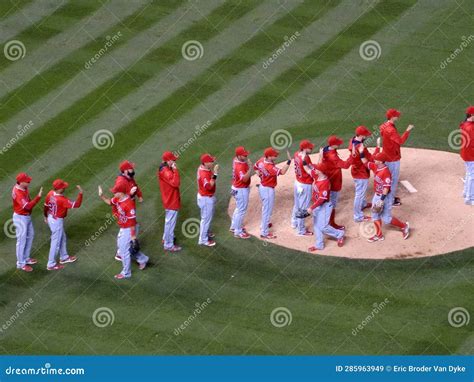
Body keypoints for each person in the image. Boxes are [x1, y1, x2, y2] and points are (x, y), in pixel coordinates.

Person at [358, 147, 410, 242]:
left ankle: (404, 226)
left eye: (376, 159)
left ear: (381, 161)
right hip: (377, 195)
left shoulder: (386, 172)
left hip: (385, 197)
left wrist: (381, 200)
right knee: (375, 215)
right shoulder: (376, 167)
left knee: (387, 219)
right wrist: (361, 153)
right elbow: (365, 163)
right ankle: (379, 235)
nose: (374, 159)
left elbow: (386, 188)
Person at [98, 183, 148, 279]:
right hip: (124, 227)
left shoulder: (129, 204)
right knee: (123, 248)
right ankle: (142, 259)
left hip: (130, 228)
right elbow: (109, 202)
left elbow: (132, 222)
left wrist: (133, 237)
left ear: (120, 193)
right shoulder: (118, 199)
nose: (113, 194)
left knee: (123, 250)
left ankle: (126, 273)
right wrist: (101, 196)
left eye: (115, 192)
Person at [303, 163, 344, 251]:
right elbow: (308, 169)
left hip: (324, 206)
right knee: (317, 226)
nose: (315, 169)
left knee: (323, 227)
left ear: (321, 171)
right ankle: (319, 245)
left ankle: (340, 234)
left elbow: (322, 199)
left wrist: (311, 208)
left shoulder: (325, 183)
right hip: (317, 206)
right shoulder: (317, 175)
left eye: (317, 168)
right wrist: (303, 161)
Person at [44, 179, 83, 270]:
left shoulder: (50, 193)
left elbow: (46, 206)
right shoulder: (62, 199)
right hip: (57, 221)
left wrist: (45, 216)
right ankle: (51, 264)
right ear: (60, 189)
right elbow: (77, 204)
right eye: (63, 187)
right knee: (56, 243)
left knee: (62, 238)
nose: (65, 188)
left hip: (50, 217)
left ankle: (64, 257)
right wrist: (80, 193)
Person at [254, 147, 292, 239]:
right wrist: (289, 161)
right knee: (267, 210)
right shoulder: (269, 167)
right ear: (269, 157)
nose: (276, 157)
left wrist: (258, 173)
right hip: (267, 189)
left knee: (265, 208)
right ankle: (264, 232)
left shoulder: (261, 160)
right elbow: (282, 172)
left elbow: (255, 166)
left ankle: (264, 224)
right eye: (274, 156)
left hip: (263, 187)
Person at [379, 109, 414, 206]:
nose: (398, 116)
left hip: (386, 155)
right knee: (393, 180)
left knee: (387, 178)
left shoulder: (384, 126)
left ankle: (387, 197)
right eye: (396, 115)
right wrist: (407, 131)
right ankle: (390, 201)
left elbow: (383, 131)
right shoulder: (390, 130)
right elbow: (400, 141)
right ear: (392, 117)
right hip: (393, 158)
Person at [11, 173, 43, 272]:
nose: (29, 182)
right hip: (20, 218)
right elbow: (27, 206)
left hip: (26, 217)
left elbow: (28, 201)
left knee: (31, 235)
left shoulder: (23, 187)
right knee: (21, 241)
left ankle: (26, 258)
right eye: (27, 181)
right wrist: (38, 197)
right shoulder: (18, 192)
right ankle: (20, 263)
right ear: (21, 182)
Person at [348, 126, 380, 222]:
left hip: (356, 170)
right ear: (361, 135)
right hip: (361, 173)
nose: (366, 136)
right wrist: (378, 148)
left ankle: (363, 204)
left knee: (360, 193)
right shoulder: (360, 148)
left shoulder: (353, 141)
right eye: (365, 135)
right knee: (359, 194)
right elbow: (370, 159)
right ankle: (358, 216)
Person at [113, 160, 143, 261]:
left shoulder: (129, 177)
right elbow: (117, 197)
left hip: (130, 206)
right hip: (125, 209)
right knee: (128, 227)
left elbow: (135, 186)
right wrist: (130, 195)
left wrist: (139, 195)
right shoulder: (120, 182)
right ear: (125, 171)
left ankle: (125, 246)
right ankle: (120, 252)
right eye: (131, 168)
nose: (133, 169)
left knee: (133, 226)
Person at [321, 135, 352, 230]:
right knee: (331, 204)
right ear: (333, 145)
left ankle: (328, 221)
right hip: (333, 181)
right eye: (337, 143)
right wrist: (352, 155)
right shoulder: (332, 156)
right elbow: (345, 165)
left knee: (327, 202)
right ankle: (330, 223)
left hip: (327, 179)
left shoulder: (325, 149)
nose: (339, 144)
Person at [158, 151, 182, 251]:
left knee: (168, 222)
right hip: (171, 200)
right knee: (170, 223)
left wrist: (172, 168)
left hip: (170, 199)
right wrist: (175, 170)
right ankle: (168, 245)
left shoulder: (166, 168)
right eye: (173, 160)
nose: (174, 161)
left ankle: (165, 238)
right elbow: (176, 183)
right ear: (168, 160)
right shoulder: (165, 171)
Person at [291, 140, 315, 236]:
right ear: (305, 148)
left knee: (297, 204)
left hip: (297, 183)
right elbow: (310, 170)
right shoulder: (305, 158)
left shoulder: (296, 154)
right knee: (303, 208)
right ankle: (301, 230)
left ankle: (294, 222)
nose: (311, 149)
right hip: (305, 185)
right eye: (310, 148)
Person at [229, 146, 252, 239]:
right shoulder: (240, 166)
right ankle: (238, 231)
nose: (246, 156)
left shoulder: (235, 160)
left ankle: (234, 227)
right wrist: (250, 168)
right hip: (241, 189)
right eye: (243, 155)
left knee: (239, 208)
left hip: (235, 187)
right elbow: (244, 179)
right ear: (238, 155)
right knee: (241, 210)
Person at [197, 154, 219, 247]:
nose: (212, 162)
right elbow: (209, 187)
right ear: (205, 163)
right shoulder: (203, 174)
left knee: (207, 218)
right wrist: (215, 174)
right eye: (211, 161)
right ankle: (203, 240)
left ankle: (206, 232)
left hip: (205, 197)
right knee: (205, 220)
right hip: (206, 198)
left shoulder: (203, 167)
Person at [460, 106, 474, 205]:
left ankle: (465, 193)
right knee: (472, 176)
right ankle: (469, 198)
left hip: (466, 154)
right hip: (471, 155)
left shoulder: (465, 124)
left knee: (469, 174)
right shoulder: (470, 127)